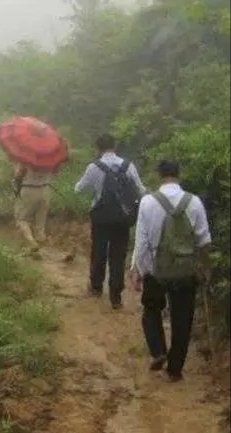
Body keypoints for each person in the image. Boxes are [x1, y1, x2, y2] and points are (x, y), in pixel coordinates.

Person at [129, 160, 211, 382]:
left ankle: (158, 351)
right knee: (182, 319)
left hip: (156, 271)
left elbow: (142, 241)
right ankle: (175, 369)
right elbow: (204, 241)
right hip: (186, 271)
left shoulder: (147, 202)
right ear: (179, 174)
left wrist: (138, 270)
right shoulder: (194, 202)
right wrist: (205, 267)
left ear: (159, 175)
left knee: (151, 310)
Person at [74, 133, 147, 309]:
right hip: (123, 218)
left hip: (101, 217)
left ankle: (96, 287)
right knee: (118, 255)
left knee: (98, 250)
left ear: (98, 148)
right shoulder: (128, 166)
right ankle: (116, 296)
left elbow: (78, 189)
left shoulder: (94, 167)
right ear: (114, 147)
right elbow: (140, 189)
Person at [13, 162, 55, 252]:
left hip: (29, 189)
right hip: (45, 190)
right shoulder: (50, 159)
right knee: (41, 223)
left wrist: (16, 168)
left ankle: (32, 242)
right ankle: (42, 246)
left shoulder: (26, 159)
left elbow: (18, 175)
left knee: (22, 219)